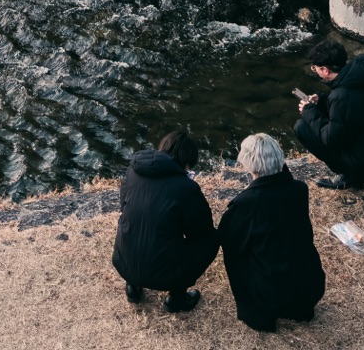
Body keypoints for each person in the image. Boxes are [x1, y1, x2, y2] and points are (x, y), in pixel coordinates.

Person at [219, 133, 325, 332]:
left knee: (238, 256)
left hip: (271, 291)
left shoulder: (246, 203)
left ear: (249, 164)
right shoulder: (299, 189)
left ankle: (258, 315)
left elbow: (227, 238)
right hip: (308, 283)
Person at [111, 130, 218, 314]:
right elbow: (200, 231)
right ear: (186, 162)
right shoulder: (186, 188)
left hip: (124, 262)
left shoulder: (133, 171)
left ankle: (133, 288)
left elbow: (124, 207)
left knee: (137, 226)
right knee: (210, 239)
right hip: (164, 274)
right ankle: (176, 298)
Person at [293, 38, 364, 190]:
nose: (314, 70)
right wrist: (322, 101)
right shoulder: (362, 78)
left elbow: (331, 140)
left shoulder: (341, 96)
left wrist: (308, 111)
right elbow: (354, 109)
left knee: (302, 127)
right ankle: (354, 173)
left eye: (314, 68)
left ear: (325, 70)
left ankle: (350, 177)